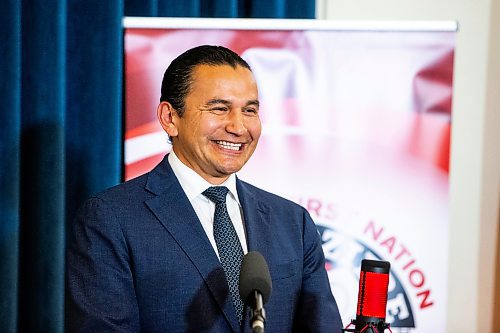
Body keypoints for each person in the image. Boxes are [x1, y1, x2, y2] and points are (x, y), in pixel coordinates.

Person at [66, 45, 343, 332]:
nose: (238, 126)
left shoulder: (292, 222)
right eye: (220, 109)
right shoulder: (112, 219)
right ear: (170, 118)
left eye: (249, 110)